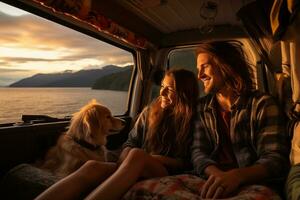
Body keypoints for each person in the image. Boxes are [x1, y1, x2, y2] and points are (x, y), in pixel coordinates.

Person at [35, 68, 199, 200]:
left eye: (169, 89)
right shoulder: (150, 112)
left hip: (167, 170)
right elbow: (131, 142)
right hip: (136, 163)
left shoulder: (196, 119)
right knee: (93, 166)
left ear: (184, 92)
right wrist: (126, 154)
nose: (161, 93)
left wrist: (152, 158)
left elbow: (189, 163)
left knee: (136, 154)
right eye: (162, 86)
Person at [191, 41, 290, 199]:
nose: (199, 75)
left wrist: (237, 176)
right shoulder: (202, 108)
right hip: (210, 181)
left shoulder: (262, 104)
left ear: (225, 66)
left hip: (254, 185)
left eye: (205, 66)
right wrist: (217, 176)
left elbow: (275, 158)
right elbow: (198, 152)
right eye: (198, 69)